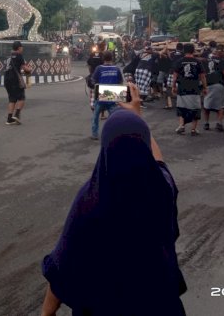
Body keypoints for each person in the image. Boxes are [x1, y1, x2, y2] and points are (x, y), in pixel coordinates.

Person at [40, 85, 186, 316]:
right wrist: (138, 118)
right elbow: (158, 160)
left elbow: (63, 265)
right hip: (159, 303)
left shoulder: (89, 200)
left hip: (102, 306)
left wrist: (47, 313)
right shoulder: (162, 189)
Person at [172, 43, 206, 136]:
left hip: (182, 88)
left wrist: (173, 86)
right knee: (195, 108)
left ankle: (181, 126)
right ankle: (193, 130)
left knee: (182, 107)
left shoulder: (179, 61)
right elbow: (202, 76)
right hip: (194, 88)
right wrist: (205, 87)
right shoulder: (198, 62)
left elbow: (175, 76)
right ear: (193, 51)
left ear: (183, 51)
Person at [89, 51, 124, 140]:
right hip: (113, 95)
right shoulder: (116, 68)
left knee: (96, 116)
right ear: (112, 58)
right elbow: (120, 81)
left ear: (103, 59)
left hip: (101, 95)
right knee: (114, 117)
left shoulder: (99, 68)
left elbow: (93, 80)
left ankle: (94, 134)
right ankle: (116, 133)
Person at [201, 42, 224, 131]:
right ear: (221, 52)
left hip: (208, 83)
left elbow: (203, 73)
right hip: (219, 84)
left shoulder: (206, 60)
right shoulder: (222, 60)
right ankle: (219, 123)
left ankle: (206, 123)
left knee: (206, 105)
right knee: (221, 105)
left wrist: (202, 85)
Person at [4, 41, 31, 125]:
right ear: (19, 48)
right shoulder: (19, 55)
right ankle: (17, 114)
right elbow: (25, 68)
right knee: (21, 97)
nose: (22, 48)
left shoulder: (9, 56)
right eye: (22, 47)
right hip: (15, 79)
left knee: (12, 99)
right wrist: (29, 69)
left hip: (6, 79)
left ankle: (9, 119)